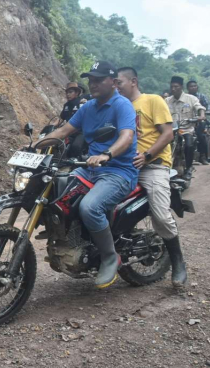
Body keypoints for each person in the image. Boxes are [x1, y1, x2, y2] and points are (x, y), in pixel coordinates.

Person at [42, 61, 138, 289]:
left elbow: (126, 137)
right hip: (90, 167)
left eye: (98, 79)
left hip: (119, 171)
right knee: (55, 191)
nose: (92, 83)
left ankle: (109, 256)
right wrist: (33, 145)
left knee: (89, 207)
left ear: (114, 82)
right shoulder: (88, 107)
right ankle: (74, 240)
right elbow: (64, 131)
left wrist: (107, 154)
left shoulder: (122, 105)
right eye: (90, 79)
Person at [116, 67, 187, 286]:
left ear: (133, 81)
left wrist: (147, 156)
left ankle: (177, 262)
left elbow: (168, 134)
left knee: (161, 215)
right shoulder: (119, 107)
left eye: (119, 82)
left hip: (152, 166)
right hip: (123, 168)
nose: (116, 87)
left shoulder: (152, 100)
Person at [166, 76, 206, 179]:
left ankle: (189, 168)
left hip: (186, 129)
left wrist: (201, 115)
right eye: (172, 87)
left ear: (181, 87)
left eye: (176, 86)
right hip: (171, 130)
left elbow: (199, 107)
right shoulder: (167, 100)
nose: (173, 89)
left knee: (189, 145)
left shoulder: (191, 98)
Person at [186, 80, 210, 165]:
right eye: (191, 86)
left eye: (195, 86)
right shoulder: (185, 97)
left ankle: (202, 156)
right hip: (186, 120)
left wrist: (202, 115)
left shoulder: (202, 96)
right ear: (187, 88)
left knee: (201, 136)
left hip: (199, 120)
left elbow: (207, 107)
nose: (193, 87)